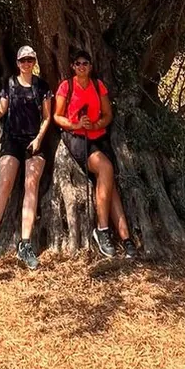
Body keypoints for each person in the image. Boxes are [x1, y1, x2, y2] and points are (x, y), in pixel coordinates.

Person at [0, 45, 52, 271]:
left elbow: (47, 117)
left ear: (34, 61)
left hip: (33, 141)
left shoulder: (42, 86)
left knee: (31, 185)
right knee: (5, 184)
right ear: (17, 63)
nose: (27, 64)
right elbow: (0, 111)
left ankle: (25, 245)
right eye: (23, 60)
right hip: (12, 140)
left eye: (30, 60)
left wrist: (38, 139)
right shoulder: (10, 84)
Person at [53, 50, 137, 259]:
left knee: (110, 186)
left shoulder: (98, 85)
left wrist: (98, 123)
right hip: (78, 139)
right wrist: (76, 124)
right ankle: (101, 230)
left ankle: (126, 239)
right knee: (106, 168)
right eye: (78, 63)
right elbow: (56, 116)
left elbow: (108, 114)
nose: (82, 67)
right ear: (73, 66)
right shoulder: (66, 86)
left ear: (90, 66)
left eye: (85, 63)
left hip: (98, 138)